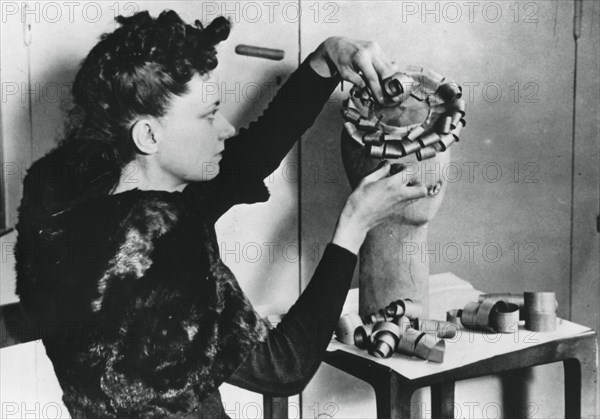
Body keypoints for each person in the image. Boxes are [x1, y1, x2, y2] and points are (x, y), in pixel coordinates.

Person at [15, 10, 428, 418]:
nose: (226, 128)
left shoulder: (96, 204)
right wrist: (354, 223)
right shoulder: (157, 256)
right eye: (209, 115)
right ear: (149, 135)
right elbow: (284, 368)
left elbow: (243, 163)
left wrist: (325, 60)